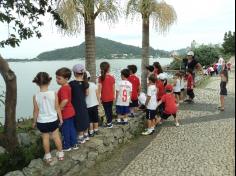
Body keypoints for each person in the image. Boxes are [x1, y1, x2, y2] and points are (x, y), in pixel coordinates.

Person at [32, 72, 64, 163]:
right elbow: (57, 107)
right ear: (49, 82)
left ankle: (48, 155)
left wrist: (34, 122)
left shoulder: (35, 96)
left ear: (37, 83)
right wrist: (61, 118)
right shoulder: (53, 93)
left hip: (41, 122)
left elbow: (36, 111)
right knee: (56, 137)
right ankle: (61, 154)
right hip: (53, 120)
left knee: (45, 138)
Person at [56, 68, 78, 151]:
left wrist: (59, 109)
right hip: (71, 111)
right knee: (71, 128)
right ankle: (74, 143)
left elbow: (65, 100)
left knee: (65, 129)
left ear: (66, 79)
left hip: (65, 112)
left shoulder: (63, 88)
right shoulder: (68, 86)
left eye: (59, 78)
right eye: (56, 78)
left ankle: (67, 145)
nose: (57, 80)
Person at [70, 64, 90, 144]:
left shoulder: (72, 84)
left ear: (74, 73)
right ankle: (86, 135)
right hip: (83, 104)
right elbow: (87, 93)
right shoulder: (86, 83)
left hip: (76, 105)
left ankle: (81, 137)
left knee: (78, 120)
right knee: (85, 118)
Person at [98, 62, 115, 128]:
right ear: (108, 68)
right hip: (111, 97)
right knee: (110, 110)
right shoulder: (112, 77)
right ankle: (110, 122)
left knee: (106, 110)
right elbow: (113, 89)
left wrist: (98, 98)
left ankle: (109, 123)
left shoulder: (100, 78)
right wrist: (114, 97)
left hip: (104, 97)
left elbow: (99, 89)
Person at [85, 71, 100, 137]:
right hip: (95, 104)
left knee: (90, 120)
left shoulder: (83, 85)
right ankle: (96, 130)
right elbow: (97, 94)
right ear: (89, 77)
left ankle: (91, 132)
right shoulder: (93, 84)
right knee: (95, 118)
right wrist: (98, 101)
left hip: (88, 105)